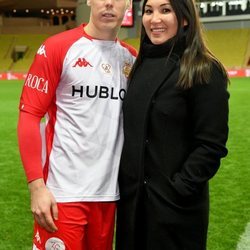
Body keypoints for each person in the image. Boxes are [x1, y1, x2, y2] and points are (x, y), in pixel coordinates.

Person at [17, 0, 136, 249]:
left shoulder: (131, 59)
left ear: (128, 4)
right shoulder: (58, 47)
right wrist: (36, 187)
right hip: (62, 194)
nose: (108, 3)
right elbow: (29, 116)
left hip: (108, 197)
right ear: (89, 0)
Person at [115, 0, 229, 249]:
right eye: (148, 11)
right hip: (132, 208)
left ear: (185, 18)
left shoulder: (204, 69)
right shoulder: (139, 66)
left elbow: (211, 145)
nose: (154, 19)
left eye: (165, 10)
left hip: (174, 210)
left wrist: (179, 188)